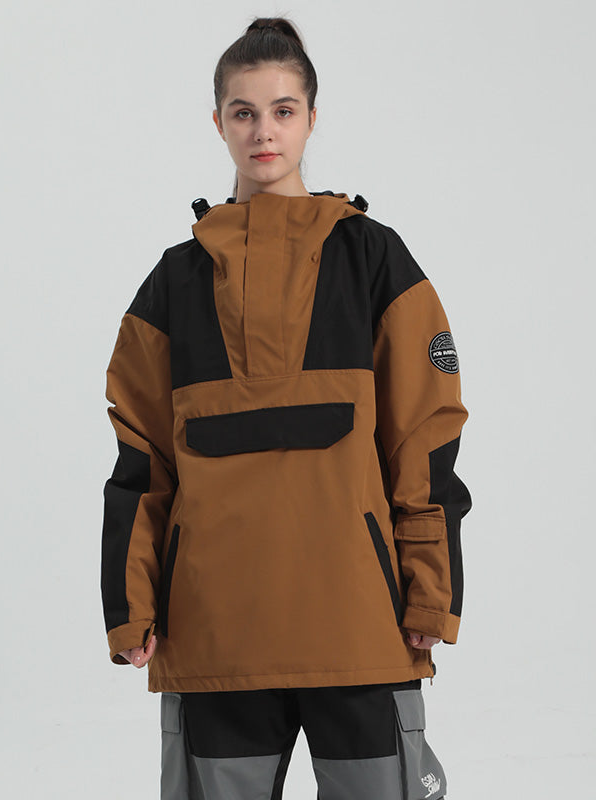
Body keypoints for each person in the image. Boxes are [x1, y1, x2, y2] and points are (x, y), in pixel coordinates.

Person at [100, 15, 472, 800]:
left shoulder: (374, 259)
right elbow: (142, 458)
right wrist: (130, 605)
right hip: (214, 630)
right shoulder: (173, 283)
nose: (263, 131)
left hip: (360, 625)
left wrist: (432, 592)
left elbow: (425, 437)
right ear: (218, 123)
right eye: (243, 112)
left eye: (282, 110)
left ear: (311, 118)